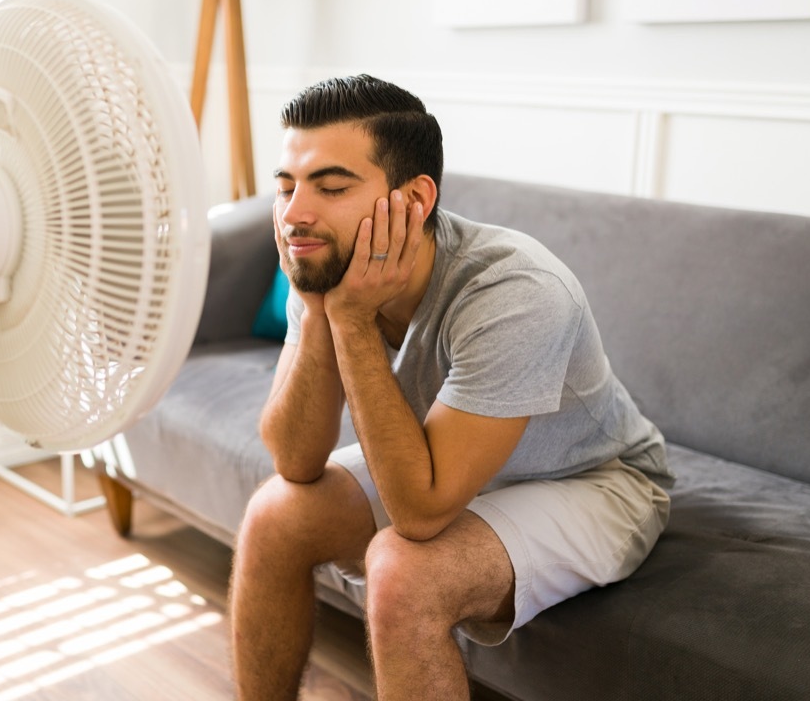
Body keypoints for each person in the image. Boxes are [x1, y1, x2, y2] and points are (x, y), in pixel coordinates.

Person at [229, 75, 673, 700]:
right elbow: (296, 460)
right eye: (287, 187)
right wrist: (318, 312)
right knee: (275, 515)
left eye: (330, 187)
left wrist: (351, 321)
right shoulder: (327, 260)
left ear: (414, 198)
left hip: (594, 480)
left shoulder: (515, 290)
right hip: (455, 462)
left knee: (402, 572)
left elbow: (420, 513)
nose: (296, 213)